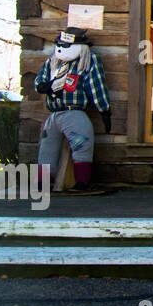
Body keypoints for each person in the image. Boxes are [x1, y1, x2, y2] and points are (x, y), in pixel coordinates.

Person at [34, 27, 111, 192]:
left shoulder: (88, 61)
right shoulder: (53, 62)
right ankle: (43, 182)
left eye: (66, 45)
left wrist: (104, 109)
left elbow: (96, 86)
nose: (61, 48)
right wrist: (42, 85)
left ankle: (82, 181)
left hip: (74, 112)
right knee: (47, 148)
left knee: (81, 144)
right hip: (54, 113)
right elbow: (40, 80)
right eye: (59, 44)